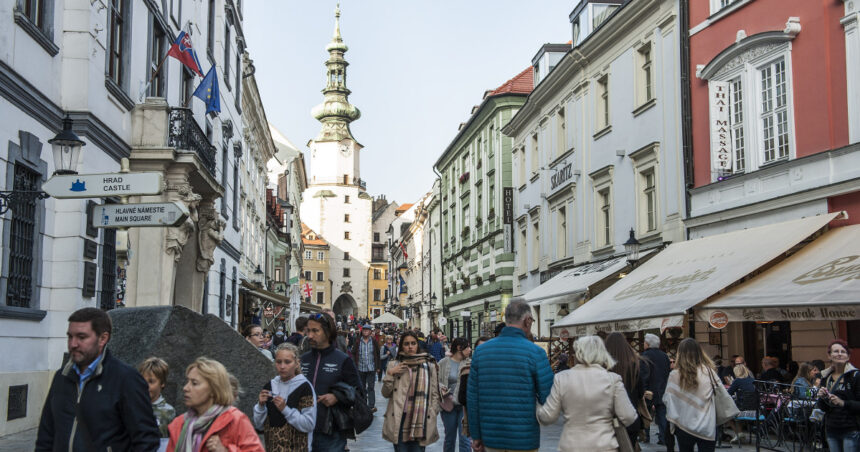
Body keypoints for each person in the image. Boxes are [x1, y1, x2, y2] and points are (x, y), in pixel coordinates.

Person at [36, 307, 160, 452]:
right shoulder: (62, 377)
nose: (73, 344)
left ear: (103, 338)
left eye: (81, 337)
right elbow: (46, 435)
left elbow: (146, 439)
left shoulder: (126, 379)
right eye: (70, 336)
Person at [467, 299, 553, 452]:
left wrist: (476, 435)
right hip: (524, 437)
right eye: (532, 320)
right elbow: (548, 397)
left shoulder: (481, 352)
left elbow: (473, 399)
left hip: (491, 435)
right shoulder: (536, 352)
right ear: (527, 321)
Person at [536, 335, 637, 451]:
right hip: (604, 445)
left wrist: (537, 409)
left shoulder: (562, 378)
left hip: (571, 445)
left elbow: (548, 416)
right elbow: (629, 416)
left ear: (577, 353)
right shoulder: (613, 380)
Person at [167, 358, 263, 452]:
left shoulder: (235, 420)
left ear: (213, 389)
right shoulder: (179, 424)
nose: (185, 388)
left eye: (194, 383)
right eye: (187, 382)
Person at [300, 312, 362, 450]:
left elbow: (359, 393)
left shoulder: (342, 360)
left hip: (330, 431)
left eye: (315, 331)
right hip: (302, 429)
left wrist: (337, 397)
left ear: (328, 332)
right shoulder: (303, 360)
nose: (309, 335)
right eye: (308, 330)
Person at [381, 331, 442, 451]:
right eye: (406, 344)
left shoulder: (429, 365)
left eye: (413, 343)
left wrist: (433, 410)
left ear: (417, 345)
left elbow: (434, 392)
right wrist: (390, 373)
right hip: (400, 417)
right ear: (401, 346)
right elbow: (385, 393)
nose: (410, 347)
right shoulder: (394, 364)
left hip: (421, 417)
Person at [253, 343, 316, 452]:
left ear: (297, 363)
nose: (282, 366)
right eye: (278, 362)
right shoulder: (270, 386)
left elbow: (309, 425)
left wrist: (285, 410)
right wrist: (260, 406)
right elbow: (259, 426)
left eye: (287, 362)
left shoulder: (304, 387)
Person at [664, 338, 718, 452]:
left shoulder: (674, 375)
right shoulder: (709, 372)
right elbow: (720, 394)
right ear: (700, 352)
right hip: (706, 425)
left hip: (683, 425)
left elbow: (668, 400)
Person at [605, 332, 649, 448]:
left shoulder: (603, 368)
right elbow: (640, 393)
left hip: (607, 421)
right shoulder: (635, 366)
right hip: (630, 418)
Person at [816, 339, 860, 452]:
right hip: (831, 429)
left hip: (851, 429)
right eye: (836, 351)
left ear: (848, 356)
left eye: (843, 351)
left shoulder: (855, 376)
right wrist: (822, 397)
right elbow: (823, 407)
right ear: (829, 355)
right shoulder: (825, 377)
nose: (839, 354)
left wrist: (842, 403)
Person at [438, 337, 472, 452]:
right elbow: (435, 380)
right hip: (448, 406)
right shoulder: (444, 362)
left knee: (465, 439)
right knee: (449, 438)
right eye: (467, 347)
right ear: (459, 348)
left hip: (464, 407)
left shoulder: (469, 363)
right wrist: (442, 389)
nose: (470, 349)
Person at [642, 333, 671, 448]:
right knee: (662, 415)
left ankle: (646, 436)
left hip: (649, 391)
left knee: (646, 414)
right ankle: (663, 438)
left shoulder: (645, 356)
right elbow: (666, 374)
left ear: (648, 343)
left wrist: (642, 389)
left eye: (644, 342)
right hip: (662, 389)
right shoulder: (664, 356)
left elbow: (643, 374)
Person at [137, 357, 176, 439]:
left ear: (162, 383)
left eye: (151, 381)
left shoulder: (169, 412)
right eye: (142, 381)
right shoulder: (131, 407)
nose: (145, 386)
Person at [351, 323, 381, 412]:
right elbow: (353, 352)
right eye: (364, 330)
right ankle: (363, 404)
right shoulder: (358, 341)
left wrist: (378, 367)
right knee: (362, 387)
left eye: (367, 330)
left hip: (371, 367)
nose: (365, 331)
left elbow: (378, 354)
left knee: (371, 387)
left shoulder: (374, 341)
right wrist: (354, 364)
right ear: (362, 331)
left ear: (370, 332)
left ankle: (371, 406)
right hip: (361, 367)